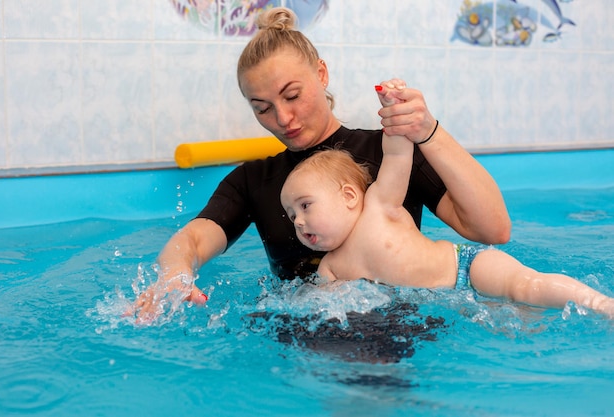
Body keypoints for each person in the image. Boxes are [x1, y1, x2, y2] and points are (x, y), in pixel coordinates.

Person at [132, 7, 511, 323]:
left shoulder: (389, 152)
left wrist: (428, 131)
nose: (282, 117)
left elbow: (493, 229)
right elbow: (194, 239)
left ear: (322, 74)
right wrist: (174, 274)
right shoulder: (252, 180)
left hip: (400, 320)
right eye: (262, 108)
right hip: (301, 325)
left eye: (292, 95)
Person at [279, 80, 614, 318]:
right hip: (450, 300)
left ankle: (602, 305)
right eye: (292, 214)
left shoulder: (379, 205)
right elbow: (321, 309)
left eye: (306, 205)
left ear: (350, 195)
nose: (298, 220)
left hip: (466, 269)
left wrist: (396, 113)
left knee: (526, 287)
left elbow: (397, 156)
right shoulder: (330, 268)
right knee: (520, 318)